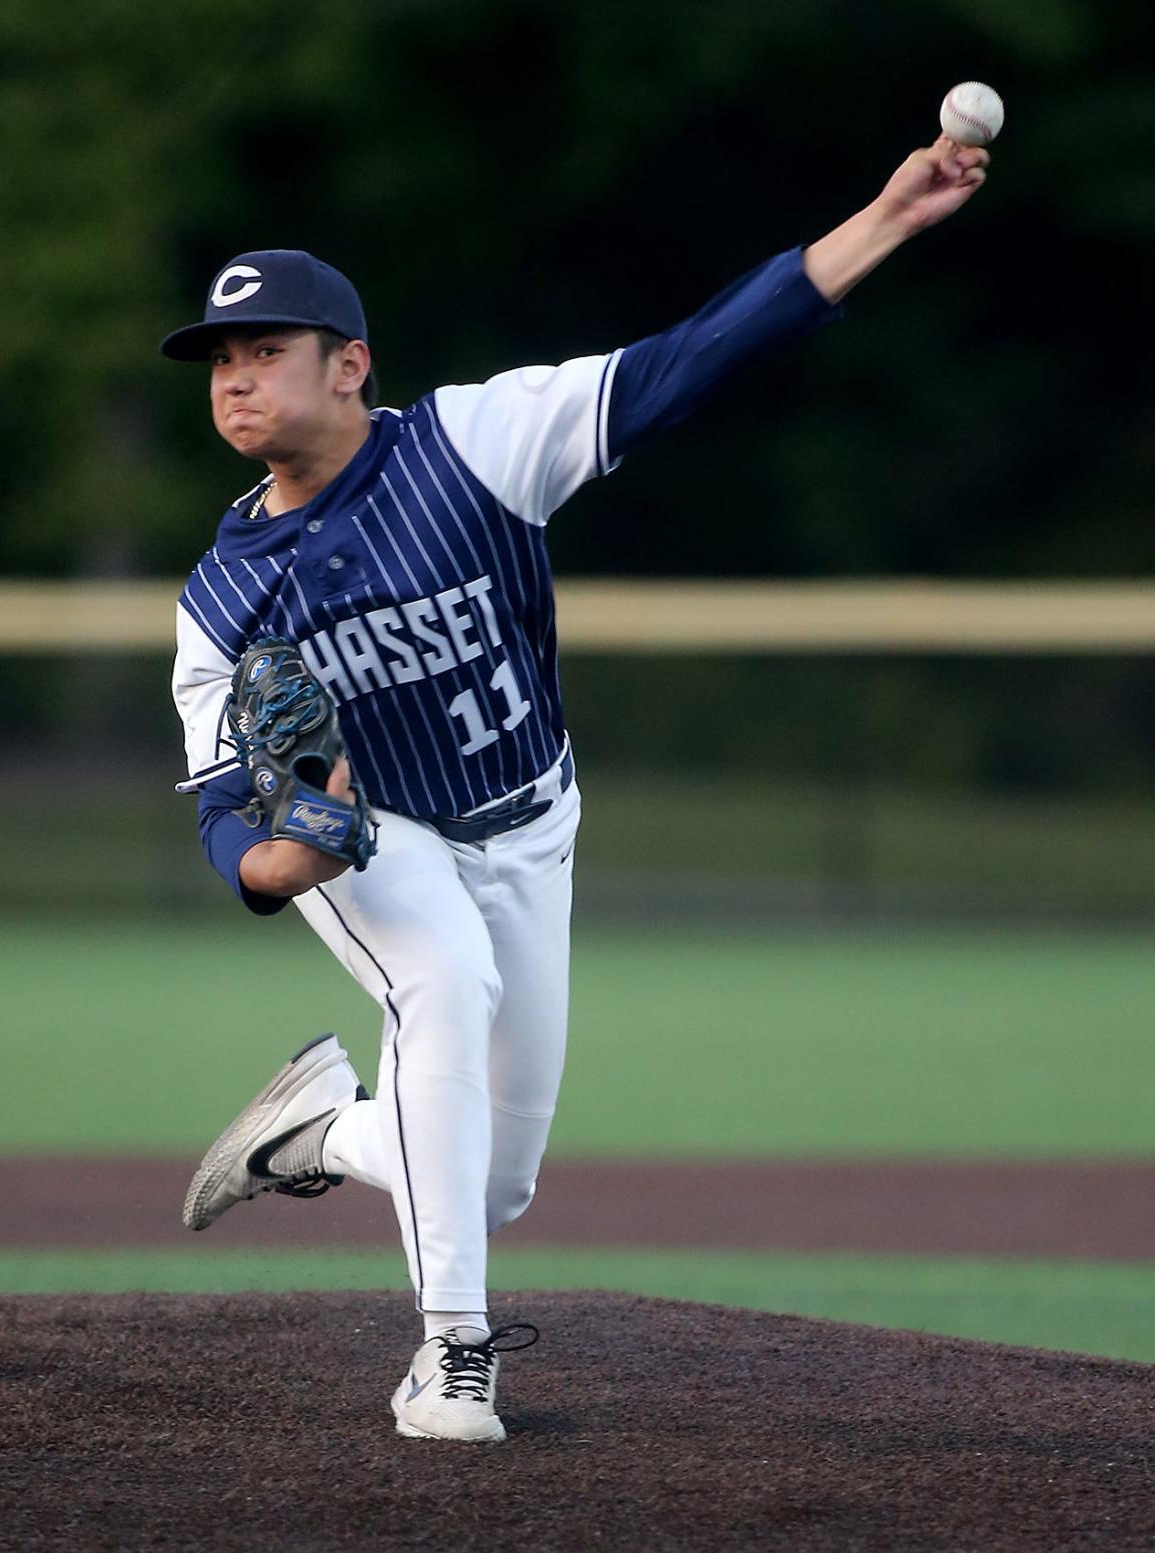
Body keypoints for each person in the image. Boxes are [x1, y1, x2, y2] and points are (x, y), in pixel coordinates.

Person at [166, 134, 988, 1443]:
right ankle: (451, 1354)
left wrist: (881, 221)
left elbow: (685, 365)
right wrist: (284, 863)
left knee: (490, 1184)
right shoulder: (220, 600)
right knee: (441, 979)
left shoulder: (473, 442)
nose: (236, 376)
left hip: (531, 822)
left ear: (351, 363)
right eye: (220, 356)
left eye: (266, 348)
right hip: (375, 837)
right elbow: (224, 818)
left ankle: (317, 1133)